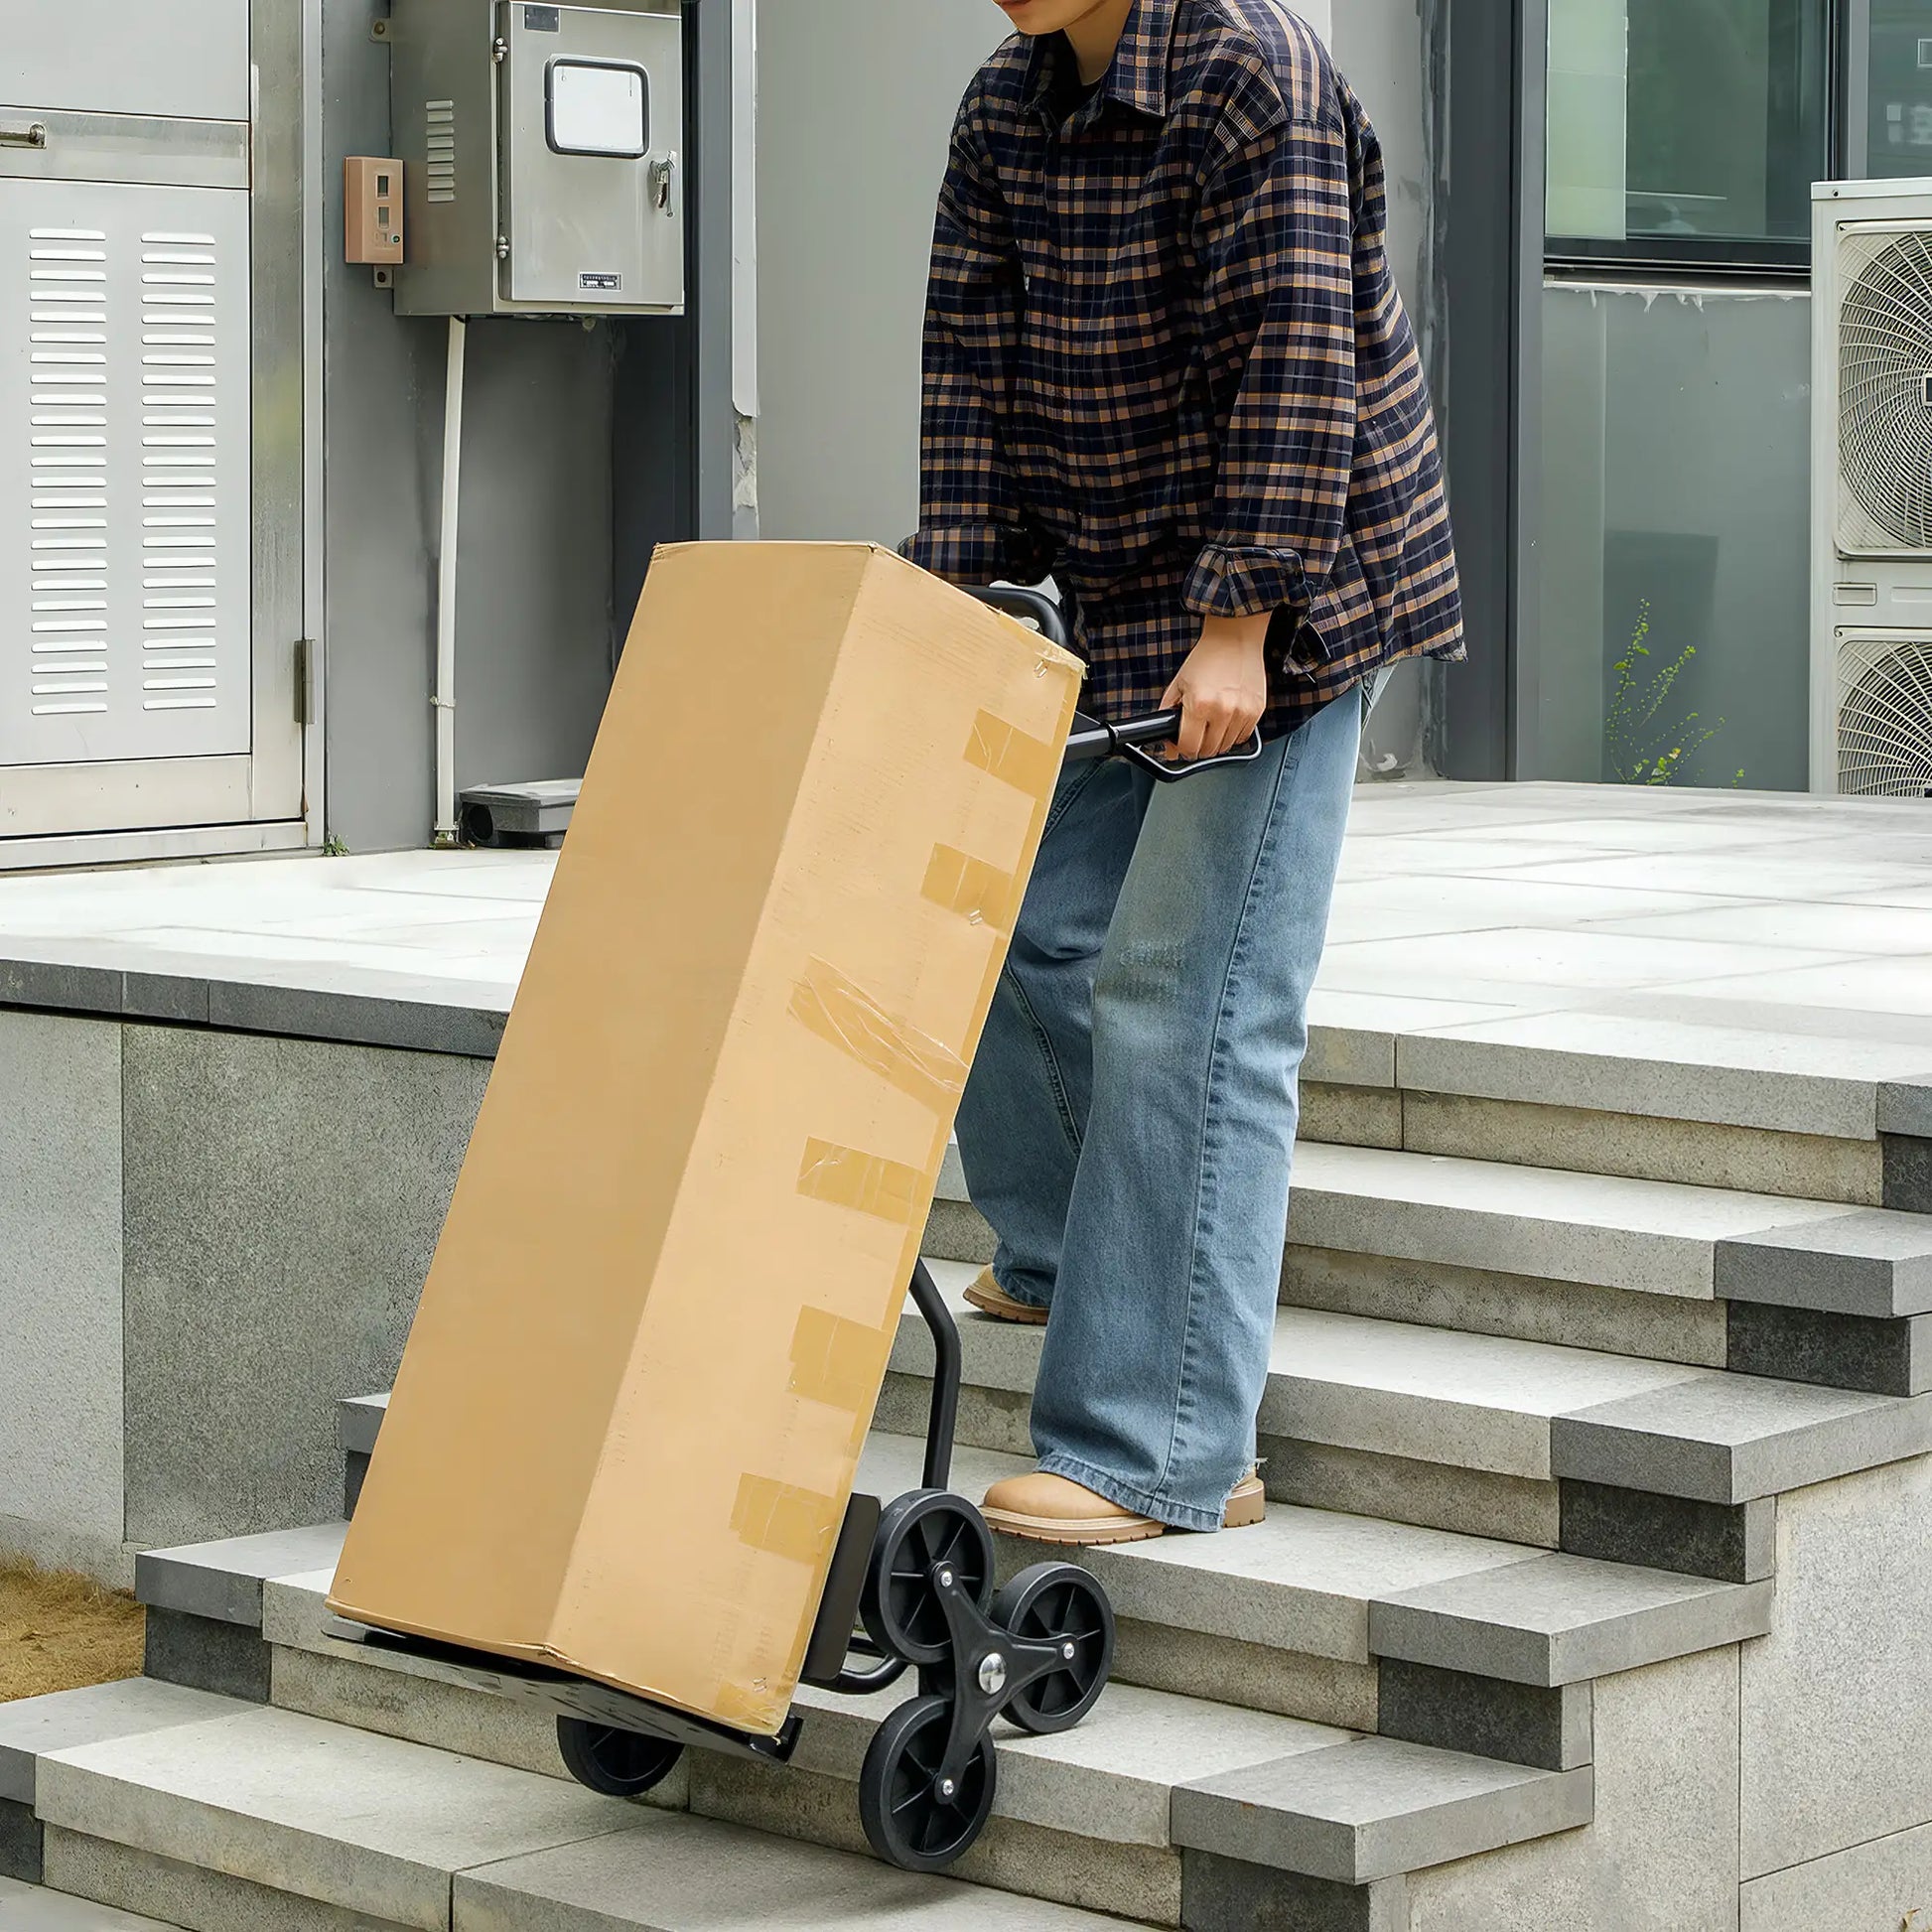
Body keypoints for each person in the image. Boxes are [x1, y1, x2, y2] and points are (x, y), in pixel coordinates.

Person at [902, 0, 1462, 1546]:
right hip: (1114, 590)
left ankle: (1162, 1441)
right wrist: (960, 618)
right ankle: (1071, 1256)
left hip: (1286, 598)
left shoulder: (1248, 75)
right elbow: (970, 377)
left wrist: (1242, 624)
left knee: (1184, 994)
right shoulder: (1005, 104)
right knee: (1008, 913)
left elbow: (1300, 364)